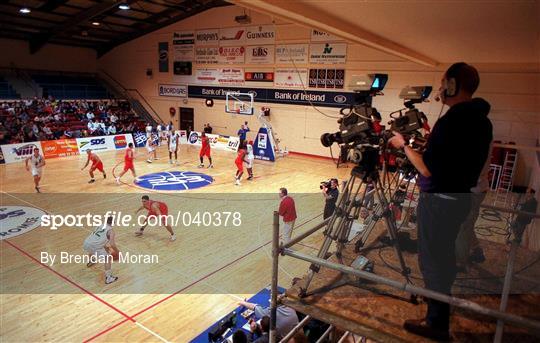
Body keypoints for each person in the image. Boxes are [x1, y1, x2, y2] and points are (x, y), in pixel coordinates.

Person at [388, 62, 492, 340]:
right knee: (443, 259)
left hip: (439, 200)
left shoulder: (452, 120)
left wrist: (404, 146)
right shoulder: (482, 120)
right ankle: (438, 311)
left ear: (453, 85)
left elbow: (426, 169)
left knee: (433, 262)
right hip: (460, 199)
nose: (440, 89)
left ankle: (436, 324)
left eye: (443, 83)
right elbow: (454, 159)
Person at [455, 143, 493, 270]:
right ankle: (476, 250)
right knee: (465, 224)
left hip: (473, 190)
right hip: (472, 189)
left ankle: (460, 263)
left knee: (464, 226)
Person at [83, 216, 119, 284]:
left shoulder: (100, 225)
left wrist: (105, 247)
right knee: (107, 258)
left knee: (92, 248)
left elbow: (98, 239)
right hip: (94, 246)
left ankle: (91, 261)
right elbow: (112, 244)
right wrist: (117, 251)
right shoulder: (111, 231)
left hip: (86, 242)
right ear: (113, 222)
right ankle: (109, 278)